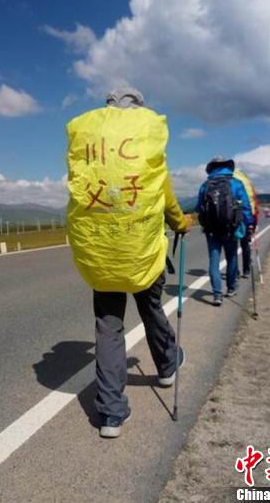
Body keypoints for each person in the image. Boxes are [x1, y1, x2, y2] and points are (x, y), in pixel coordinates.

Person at [66, 88, 191, 438]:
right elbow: (165, 198)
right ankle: (167, 367)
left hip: (102, 253)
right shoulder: (145, 144)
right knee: (151, 309)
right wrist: (181, 223)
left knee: (108, 327)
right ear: (138, 108)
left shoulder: (89, 145)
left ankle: (110, 414)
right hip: (141, 252)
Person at [196, 156, 253, 306]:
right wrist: (249, 224)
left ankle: (217, 295)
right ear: (228, 167)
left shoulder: (205, 185)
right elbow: (245, 207)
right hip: (231, 229)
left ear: (212, 168)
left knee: (213, 262)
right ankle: (231, 288)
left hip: (212, 231)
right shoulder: (236, 184)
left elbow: (199, 208)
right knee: (232, 257)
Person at [233, 169, 259, 277]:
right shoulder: (248, 184)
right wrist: (254, 223)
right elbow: (254, 204)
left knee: (232, 246)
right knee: (245, 245)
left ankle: (235, 271)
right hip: (247, 219)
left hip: (233, 218)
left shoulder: (231, 181)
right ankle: (246, 269)